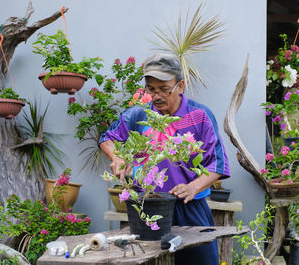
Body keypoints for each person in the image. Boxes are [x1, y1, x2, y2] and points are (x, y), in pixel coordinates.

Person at [99, 53, 230, 265]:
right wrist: (117, 157)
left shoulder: (200, 116)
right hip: (147, 206)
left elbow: (217, 164)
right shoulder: (138, 115)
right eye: (151, 89)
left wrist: (193, 187)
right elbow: (107, 138)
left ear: (180, 86)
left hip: (190, 207)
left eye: (163, 89)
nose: (156, 96)